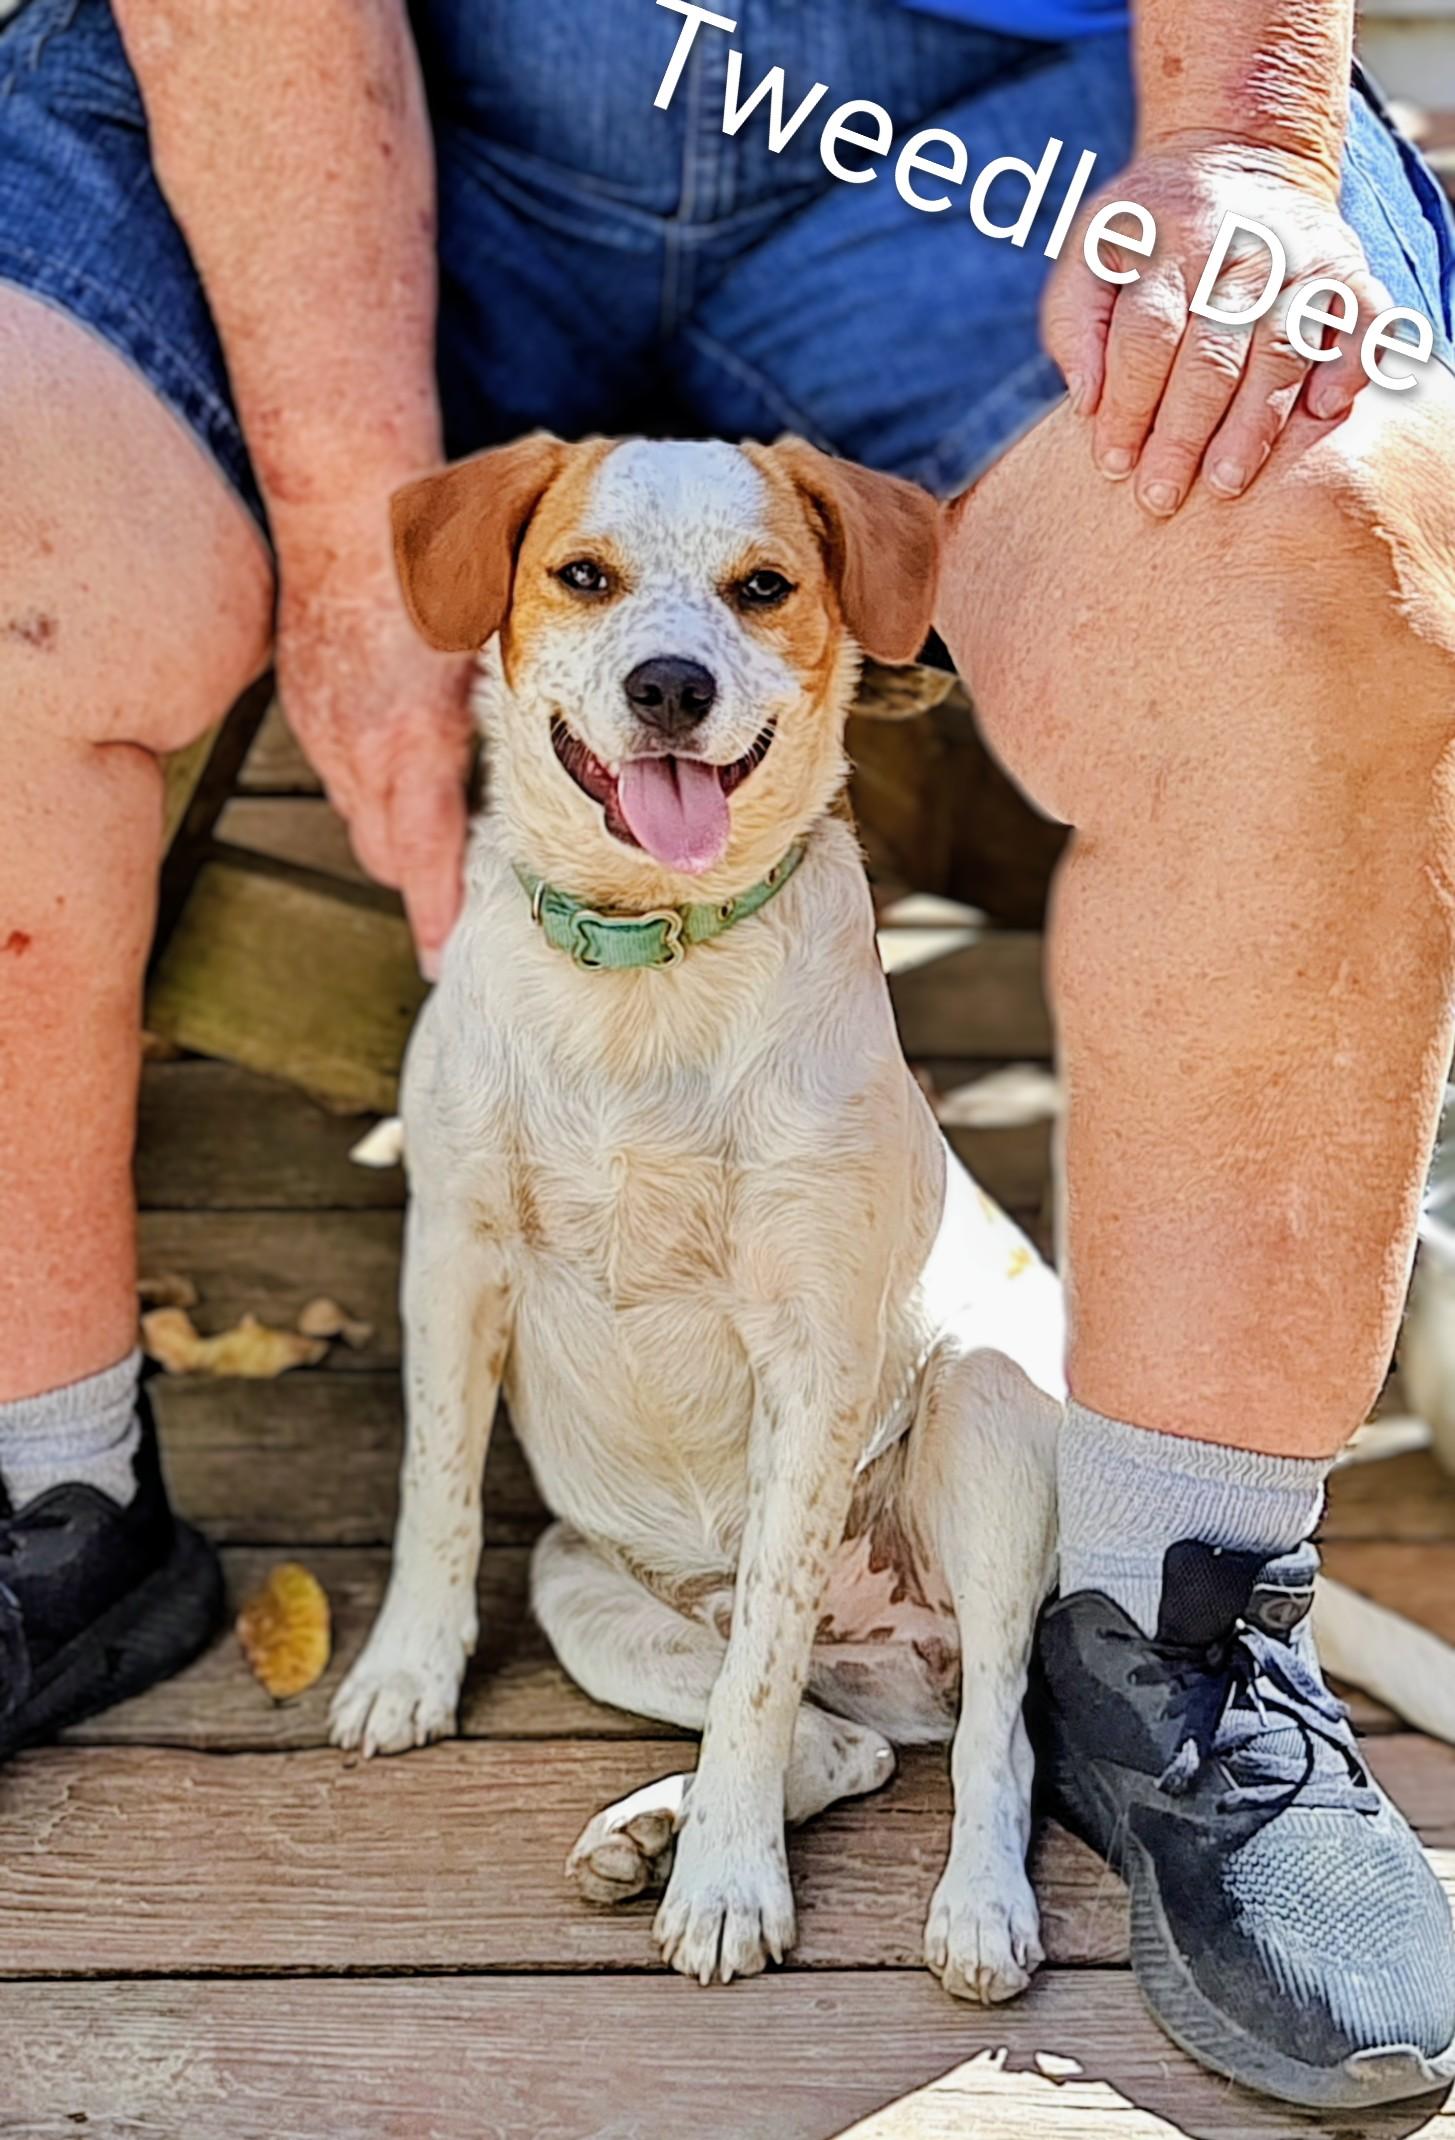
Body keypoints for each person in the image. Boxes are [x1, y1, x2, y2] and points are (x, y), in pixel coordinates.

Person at [2, 0, 1454, 2106]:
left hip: (978, 125)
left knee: (1317, 542)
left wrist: (1234, 136)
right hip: (350, 97)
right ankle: (48, 1484)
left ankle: (1175, 1613)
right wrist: (350, 533)